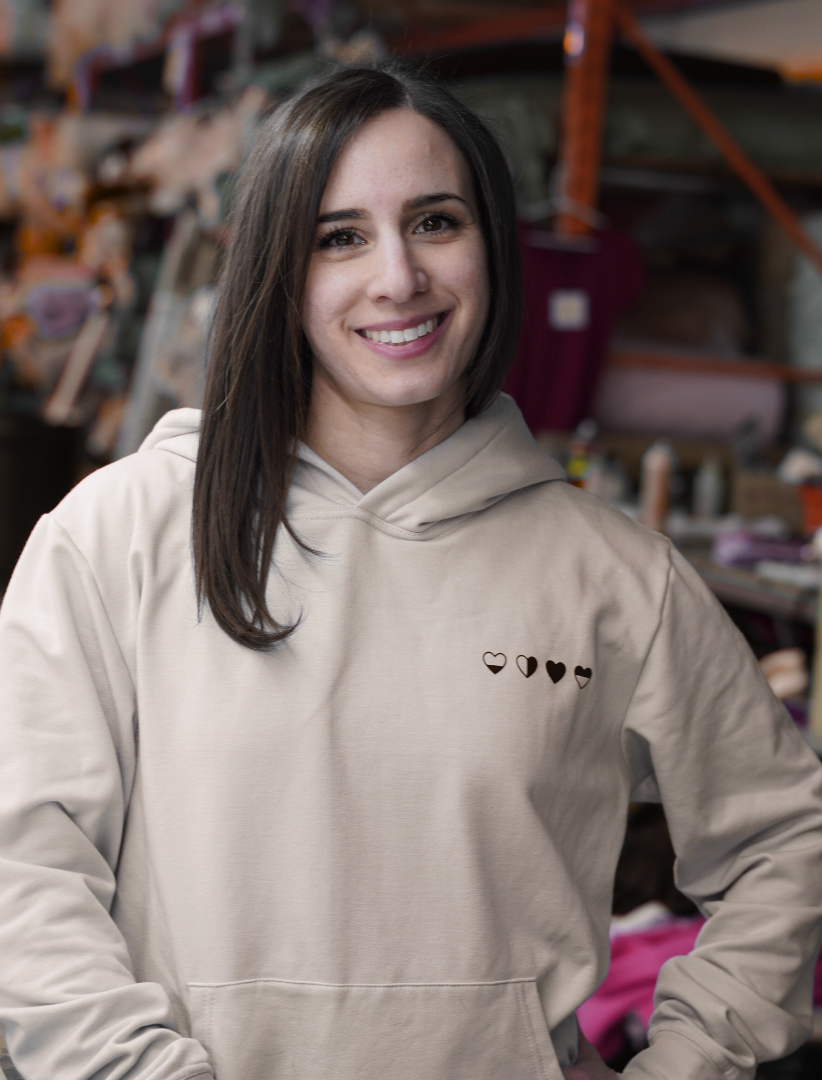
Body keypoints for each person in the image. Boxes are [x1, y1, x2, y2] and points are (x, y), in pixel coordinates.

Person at [1, 63, 821, 1081]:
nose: (398, 276)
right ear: (276, 271)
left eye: (436, 222)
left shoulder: (615, 577)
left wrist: (691, 1060)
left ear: (491, 247)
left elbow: (785, 841)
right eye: (338, 236)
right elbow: (25, 865)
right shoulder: (116, 534)